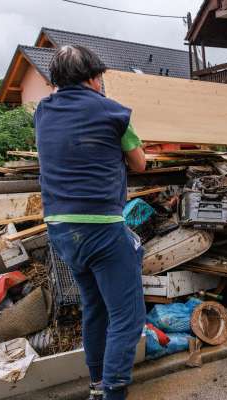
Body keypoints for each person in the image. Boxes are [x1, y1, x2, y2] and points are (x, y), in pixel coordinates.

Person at [35, 45, 147, 400]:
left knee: (94, 308)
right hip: (100, 226)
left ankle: (97, 384)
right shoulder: (113, 112)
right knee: (127, 317)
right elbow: (140, 163)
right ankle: (113, 391)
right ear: (93, 77)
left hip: (61, 230)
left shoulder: (42, 111)